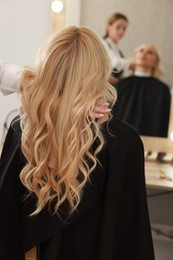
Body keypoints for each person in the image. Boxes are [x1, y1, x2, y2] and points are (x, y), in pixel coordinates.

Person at [0, 26, 155, 260]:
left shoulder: (23, 129)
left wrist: (51, 92)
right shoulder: (125, 141)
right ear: (101, 70)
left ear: (46, 66)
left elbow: (6, 221)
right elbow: (132, 232)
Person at [113, 44, 171, 137]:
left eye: (150, 52)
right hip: (121, 140)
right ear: (134, 57)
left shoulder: (163, 90)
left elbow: (165, 123)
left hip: (153, 144)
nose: (144, 54)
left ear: (156, 61)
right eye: (141, 50)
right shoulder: (120, 86)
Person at [102, 12, 130, 84]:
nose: (121, 31)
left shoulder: (118, 50)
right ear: (108, 26)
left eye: (124, 29)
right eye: (118, 27)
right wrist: (133, 62)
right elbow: (114, 62)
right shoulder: (102, 44)